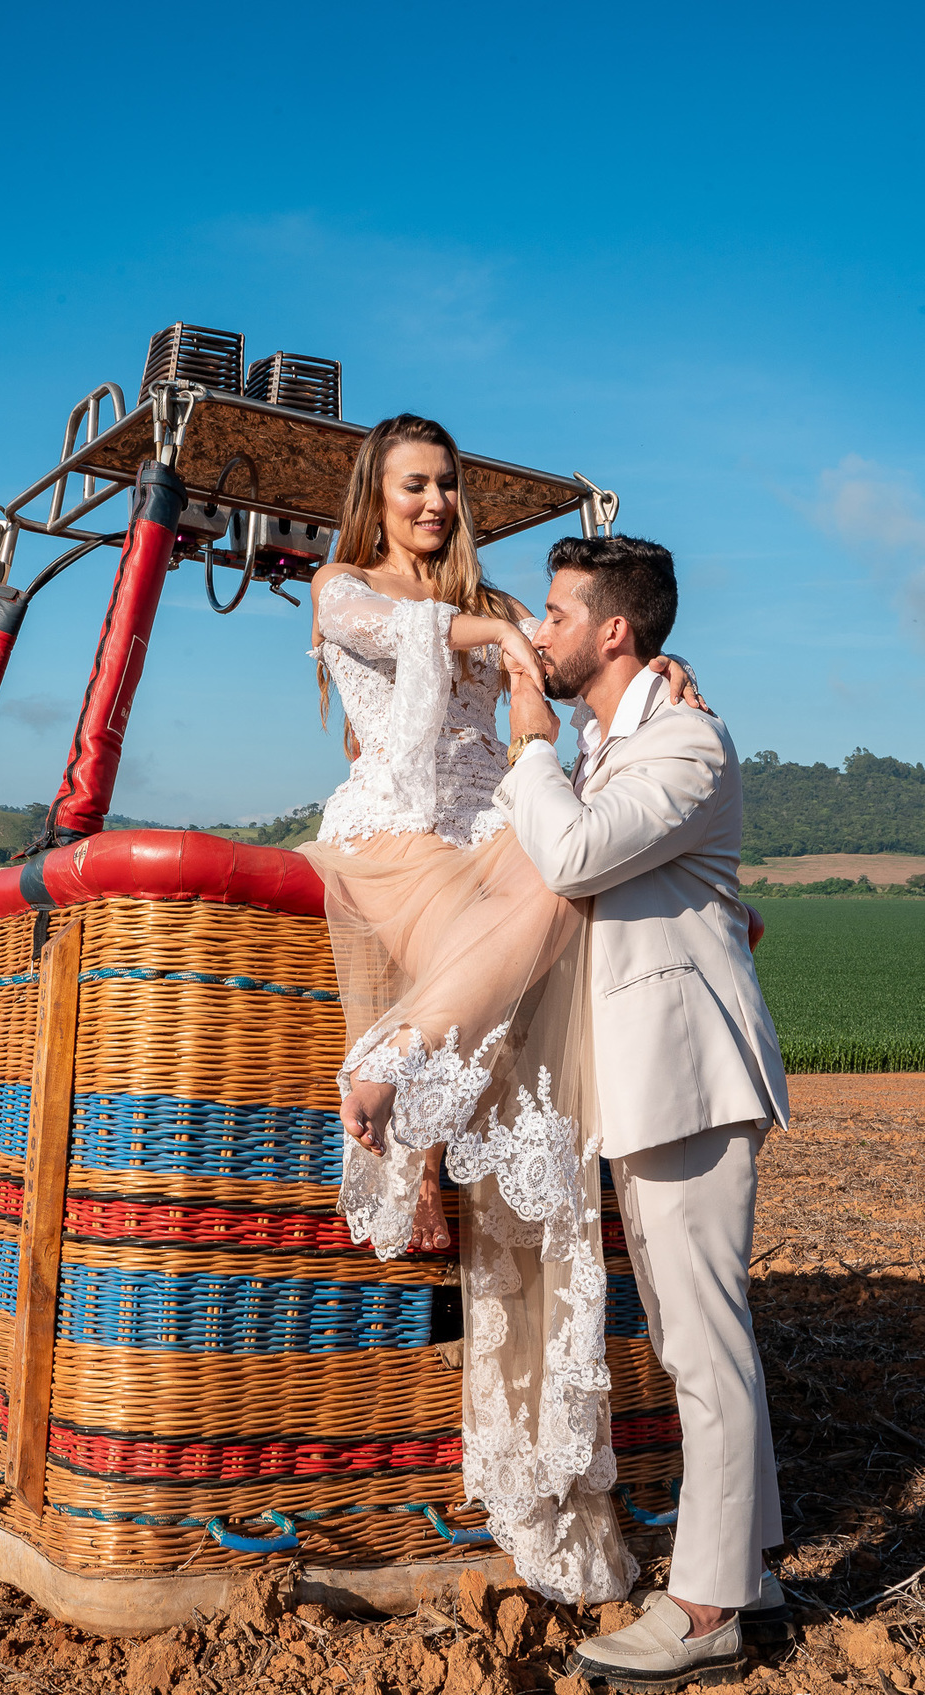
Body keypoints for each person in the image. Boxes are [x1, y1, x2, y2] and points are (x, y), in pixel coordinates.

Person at [299, 416, 701, 1603]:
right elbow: (404, 633)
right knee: (524, 931)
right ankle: (411, 1089)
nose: (434, 503)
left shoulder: (493, 602)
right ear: (376, 496)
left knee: (559, 917)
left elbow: (584, 656)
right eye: (413, 486)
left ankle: (557, 1478)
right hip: (397, 839)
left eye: (447, 486)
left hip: (495, 835)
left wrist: (661, 672)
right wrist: (493, 632)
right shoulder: (343, 589)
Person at [494, 533, 790, 1689]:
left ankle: (706, 1610)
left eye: (562, 614)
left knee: (706, 1346)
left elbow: (573, 854)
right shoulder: (626, 734)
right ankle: (752, 1572)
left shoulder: (687, 744)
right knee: (691, 1339)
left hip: (691, 1078)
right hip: (649, 1083)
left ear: (616, 631)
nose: (544, 631)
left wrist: (530, 738)